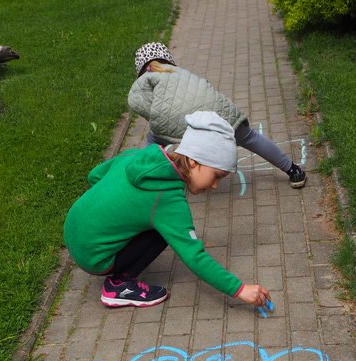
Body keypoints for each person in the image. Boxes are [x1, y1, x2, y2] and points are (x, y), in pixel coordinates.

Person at [63, 110, 274, 311]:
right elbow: (195, 257)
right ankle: (119, 286)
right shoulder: (168, 200)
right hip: (93, 257)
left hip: (72, 230)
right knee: (165, 231)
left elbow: (95, 175)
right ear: (193, 161)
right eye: (216, 175)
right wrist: (240, 289)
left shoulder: (138, 156)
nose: (215, 185)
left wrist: (111, 208)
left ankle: (106, 246)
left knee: (154, 222)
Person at [128, 42, 307, 189]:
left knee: (153, 139)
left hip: (180, 122)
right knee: (250, 137)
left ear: (140, 69)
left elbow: (141, 106)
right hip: (218, 112)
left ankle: (146, 177)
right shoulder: (177, 72)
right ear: (167, 58)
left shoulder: (144, 81)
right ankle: (293, 170)